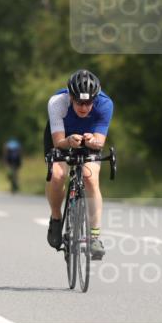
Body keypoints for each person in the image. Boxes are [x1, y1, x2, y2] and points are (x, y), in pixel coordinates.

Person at [44, 69, 113, 258]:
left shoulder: (105, 104)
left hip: (89, 139)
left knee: (91, 178)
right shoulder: (57, 102)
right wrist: (68, 141)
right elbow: (58, 142)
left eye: (88, 103)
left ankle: (94, 237)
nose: (84, 107)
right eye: (79, 102)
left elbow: (99, 142)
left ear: (95, 99)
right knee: (58, 174)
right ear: (70, 97)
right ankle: (56, 218)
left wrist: (92, 141)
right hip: (63, 137)